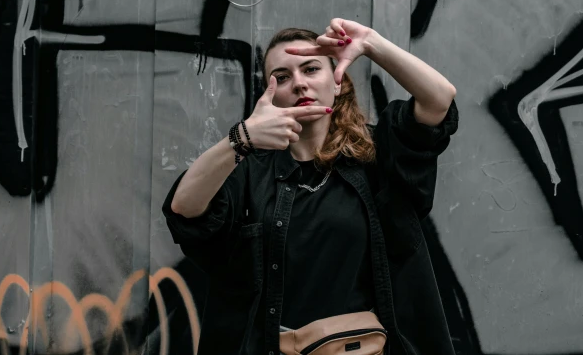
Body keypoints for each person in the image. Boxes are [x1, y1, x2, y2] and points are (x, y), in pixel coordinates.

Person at [163, 18, 459, 354]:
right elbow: (184, 209)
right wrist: (240, 139)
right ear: (270, 97)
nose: (299, 84)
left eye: (311, 69)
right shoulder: (249, 171)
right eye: (283, 77)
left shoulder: (379, 156)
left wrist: (372, 44)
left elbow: (439, 99)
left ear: (337, 83)